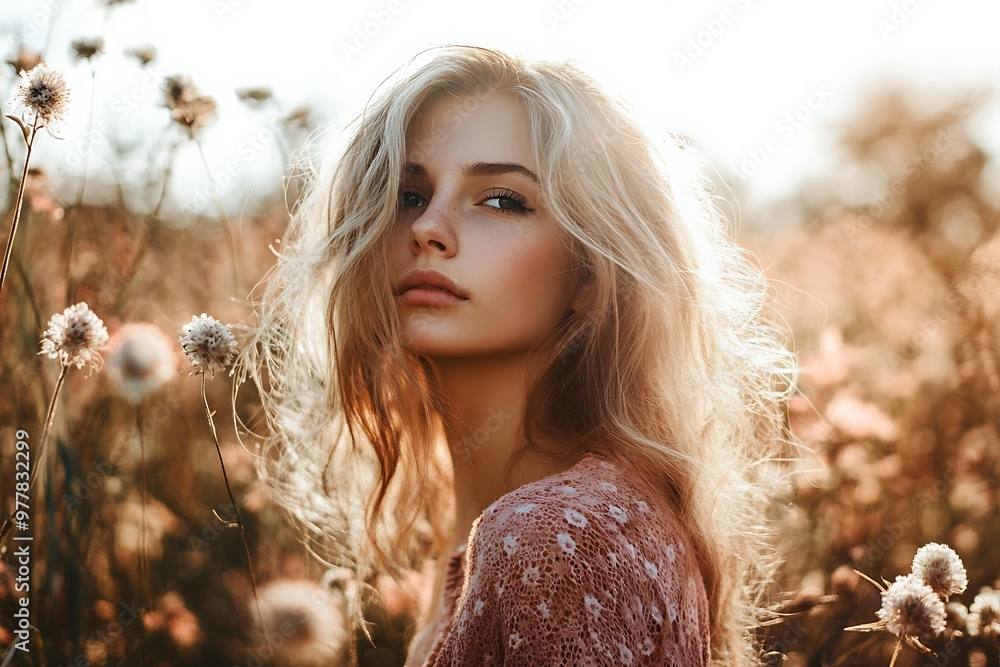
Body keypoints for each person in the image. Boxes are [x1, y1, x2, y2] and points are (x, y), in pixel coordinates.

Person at [235, 45, 797, 666]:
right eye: (406, 195)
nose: (429, 228)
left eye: (502, 199)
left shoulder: (553, 541)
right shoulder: (543, 524)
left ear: (592, 272)